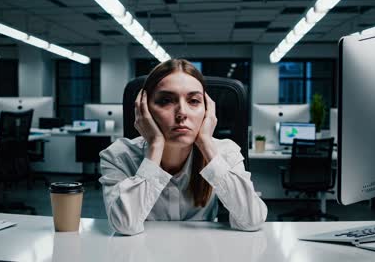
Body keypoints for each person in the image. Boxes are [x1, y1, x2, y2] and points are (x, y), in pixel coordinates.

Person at [99, 59, 267, 235]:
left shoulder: (225, 152)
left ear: (207, 109)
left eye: (194, 101)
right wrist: (156, 145)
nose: (182, 113)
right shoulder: (118, 155)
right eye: (165, 101)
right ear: (144, 109)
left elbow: (252, 220)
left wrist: (206, 143)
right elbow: (125, 225)